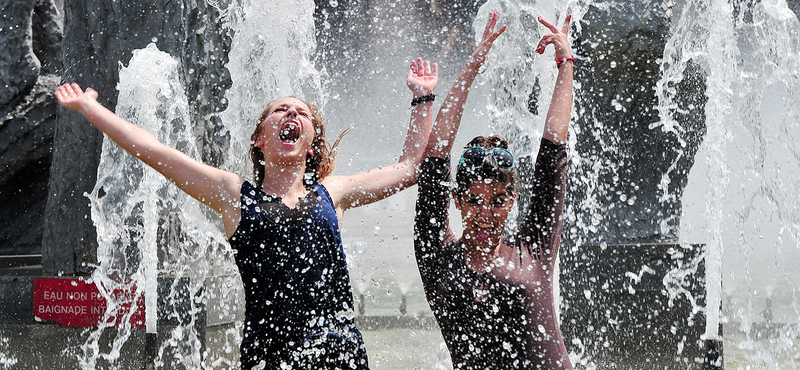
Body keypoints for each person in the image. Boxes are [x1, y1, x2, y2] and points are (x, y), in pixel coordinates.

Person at [55, 57, 438, 369]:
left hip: (338, 351)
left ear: (311, 144)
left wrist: (423, 99)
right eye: (280, 111)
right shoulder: (233, 194)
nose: (292, 114)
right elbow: (155, 152)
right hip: (270, 355)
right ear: (259, 138)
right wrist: (91, 108)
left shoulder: (332, 193)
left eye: (301, 113)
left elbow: (408, 169)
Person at [413, 12, 574, 369]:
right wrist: (469, 71)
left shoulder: (535, 249)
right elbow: (436, 156)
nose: (485, 213)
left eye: (498, 201)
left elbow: (553, 147)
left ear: (513, 201)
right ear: (456, 200)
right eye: (474, 200)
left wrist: (565, 63)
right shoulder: (437, 257)